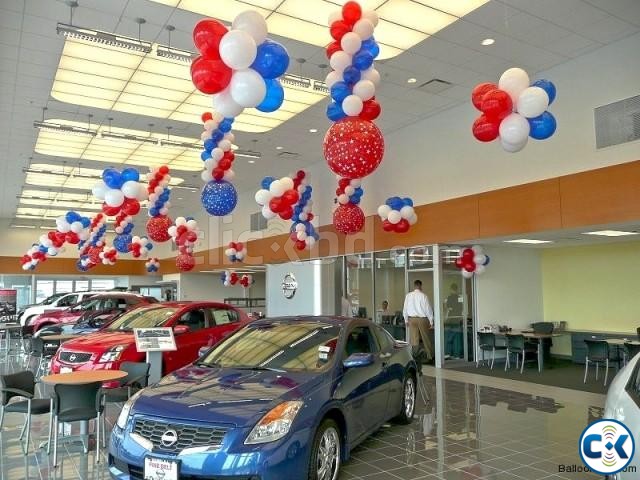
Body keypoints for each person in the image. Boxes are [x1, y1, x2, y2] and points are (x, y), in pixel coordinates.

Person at [403, 280, 434, 368]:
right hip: (422, 319)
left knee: (414, 339)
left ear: (414, 286)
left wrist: (406, 320)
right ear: (420, 286)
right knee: (425, 338)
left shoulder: (408, 296)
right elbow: (428, 310)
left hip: (411, 319)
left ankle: (415, 357)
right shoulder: (423, 296)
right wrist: (431, 321)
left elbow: (405, 309)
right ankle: (429, 357)